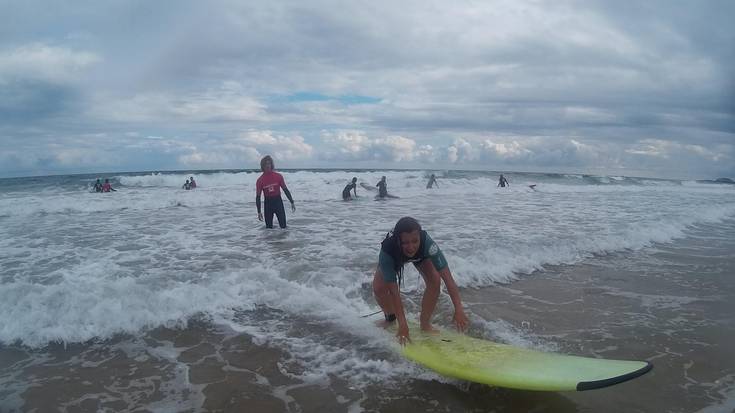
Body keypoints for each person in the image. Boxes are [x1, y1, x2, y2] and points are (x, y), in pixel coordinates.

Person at [372, 217, 468, 345]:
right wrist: (402, 324)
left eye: (415, 241)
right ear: (398, 241)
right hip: (395, 257)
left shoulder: (428, 245)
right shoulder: (388, 251)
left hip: (420, 257)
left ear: (420, 238)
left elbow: (448, 279)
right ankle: (390, 319)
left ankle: (425, 324)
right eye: (405, 242)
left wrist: (459, 309)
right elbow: (394, 292)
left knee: (435, 280)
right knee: (379, 288)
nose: (411, 247)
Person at [255, 155, 295, 229]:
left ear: (271, 165)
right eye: (265, 164)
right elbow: (258, 197)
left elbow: (285, 189)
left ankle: (283, 240)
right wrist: (259, 211)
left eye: (269, 164)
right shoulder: (260, 180)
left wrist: (292, 202)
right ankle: (270, 241)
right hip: (268, 204)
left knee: (283, 227)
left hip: (278, 202)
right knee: (268, 229)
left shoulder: (278, 176)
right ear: (262, 166)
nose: (267, 166)